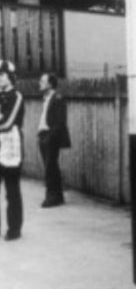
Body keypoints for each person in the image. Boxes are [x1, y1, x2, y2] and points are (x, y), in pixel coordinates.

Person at [38, 72, 71, 208]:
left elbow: (60, 122)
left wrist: (49, 137)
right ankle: (58, 196)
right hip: (43, 135)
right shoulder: (46, 98)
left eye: (42, 81)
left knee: (50, 167)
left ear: (50, 84)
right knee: (51, 167)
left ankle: (51, 197)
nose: (39, 83)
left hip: (50, 137)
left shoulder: (57, 98)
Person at [0, 60, 24, 240]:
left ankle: (14, 228)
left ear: (10, 76)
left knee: (12, 189)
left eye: (2, 75)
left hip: (11, 146)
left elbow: (8, 123)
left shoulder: (17, 96)